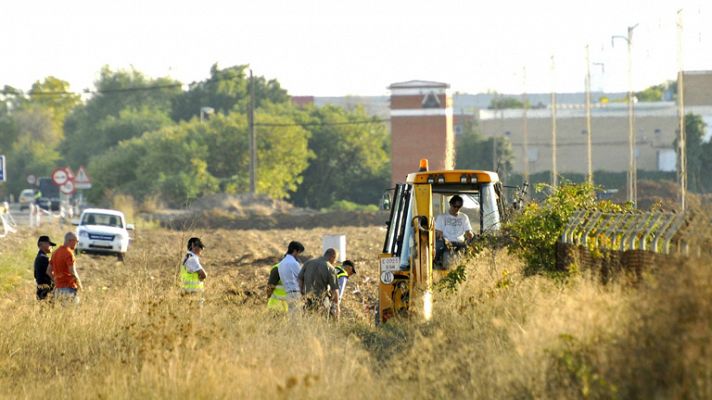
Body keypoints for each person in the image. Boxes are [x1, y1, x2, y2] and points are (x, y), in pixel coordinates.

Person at [298, 248, 340, 320]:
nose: (335, 261)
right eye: (335, 259)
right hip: (322, 301)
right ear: (333, 257)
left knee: (307, 322)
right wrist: (337, 306)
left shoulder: (308, 263)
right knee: (322, 323)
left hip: (307, 299)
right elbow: (335, 289)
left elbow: (300, 279)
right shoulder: (330, 268)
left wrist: (301, 292)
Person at [434, 195, 474, 267]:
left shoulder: (464, 217)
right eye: (454, 206)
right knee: (438, 246)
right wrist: (441, 238)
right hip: (447, 243)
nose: (456, 208)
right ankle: (436, 263)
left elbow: (468, 231)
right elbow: (439, 234)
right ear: (450, 204)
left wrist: (470, 235)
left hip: (460, 243)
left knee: (472, 253)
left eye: (458, 207)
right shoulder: (442, 217)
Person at [49, 232, 82, 304]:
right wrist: (79, 284)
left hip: (58, 290)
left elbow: (48, 270)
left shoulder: (55, 252)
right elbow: (72, 271)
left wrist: (56, 281)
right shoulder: (69, 253)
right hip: (69, 289)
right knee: (71, 313)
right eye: (76, 242)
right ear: (70, 241)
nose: (76, 244)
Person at [277, 241, 305, 313]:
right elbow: (301, 278)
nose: (298, 255)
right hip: (296, 293)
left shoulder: (281, 264)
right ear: (295, 251)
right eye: (299, 252)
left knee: (291, 318)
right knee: (297, 318)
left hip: (288, 293)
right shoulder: (294, 263)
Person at [34, 235, 56, 301]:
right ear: (41, 244)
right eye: (49, 244)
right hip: (46, 291)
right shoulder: (43, 258)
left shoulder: (39, 257)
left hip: (41, 290)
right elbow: (49, 272)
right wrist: (57, 282)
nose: (51, 246)